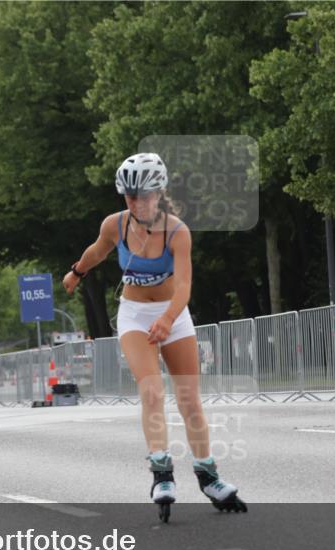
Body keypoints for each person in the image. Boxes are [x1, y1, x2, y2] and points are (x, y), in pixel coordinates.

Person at [62, 152, 246, 522]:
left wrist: (167, 319)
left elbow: (184, 286)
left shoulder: (178, 232)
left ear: (159, 193)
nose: (137, 202)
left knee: (190, 399)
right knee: (151, 390)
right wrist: (76, 272)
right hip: (134, 315)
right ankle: (162, 474)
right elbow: (97, 251)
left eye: (144, 195)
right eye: (130, 196)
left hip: (173, 315)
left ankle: (208, 476)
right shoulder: (115, 225)